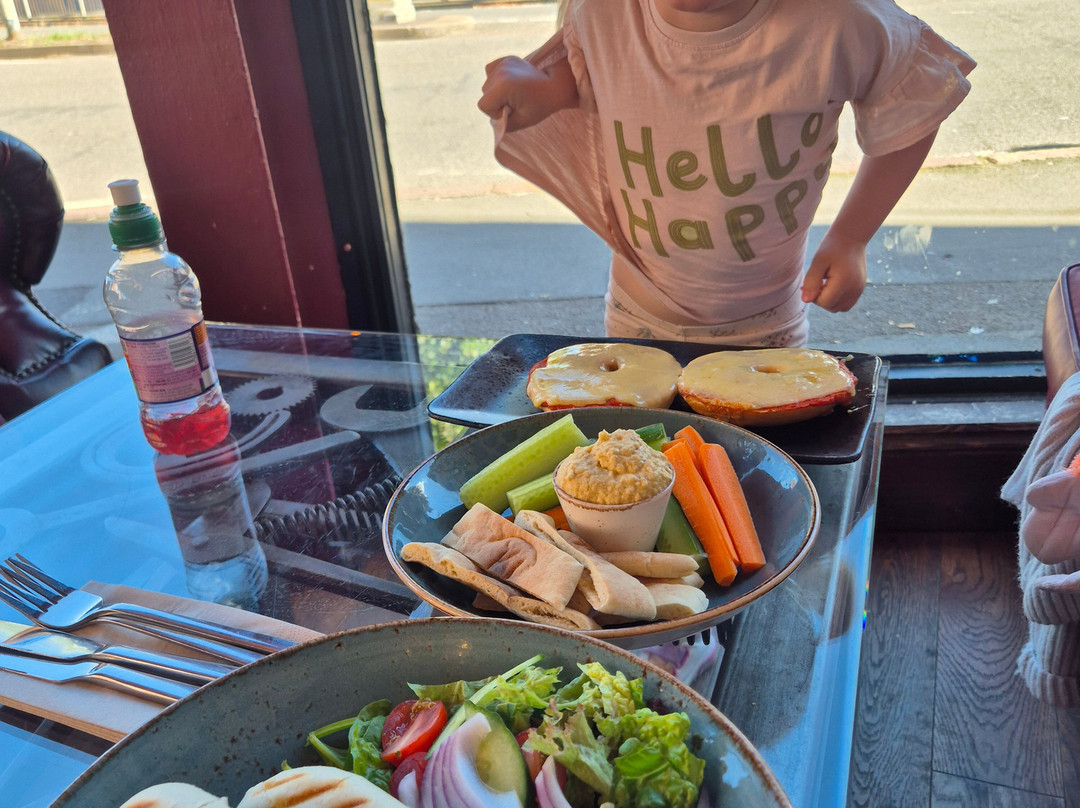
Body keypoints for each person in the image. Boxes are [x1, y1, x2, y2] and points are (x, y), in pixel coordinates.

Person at [478, 0, 975, 346]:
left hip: (766, 326)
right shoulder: (601, 11)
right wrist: (546, 88)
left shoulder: (839, 18)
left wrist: (851, 238)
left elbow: (917, 97)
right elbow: (596, 76)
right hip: (636, 315)